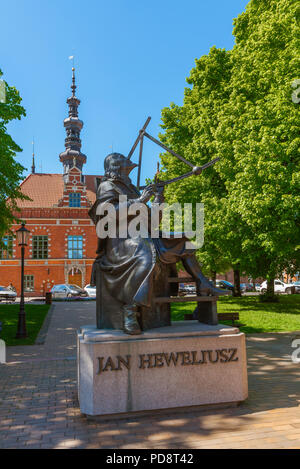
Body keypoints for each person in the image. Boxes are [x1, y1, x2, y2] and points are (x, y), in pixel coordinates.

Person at [89, 152, 227, 335]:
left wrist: (158, 199)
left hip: (141, 236)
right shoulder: (107, 186)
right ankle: (130, 310)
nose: (128, 170)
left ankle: (203, 286)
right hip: (120, 242)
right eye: (125, 166)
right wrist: (138, 201)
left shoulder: (131, 188)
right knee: (145, 255)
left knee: (185, 243)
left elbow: (152, 221)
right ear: (116, 168)